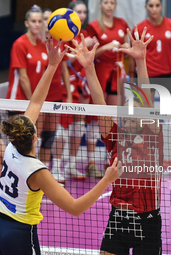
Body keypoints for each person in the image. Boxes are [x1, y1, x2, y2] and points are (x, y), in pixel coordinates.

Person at [0, 37, 120, 255]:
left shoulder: (9, 148)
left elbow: (36, 102)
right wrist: (107, 179)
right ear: (35, 138)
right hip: (17, 233)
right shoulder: (37, 171)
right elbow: (75, 208)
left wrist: (53, 65)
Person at [70, 27, 163, 254]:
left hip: (147, 219)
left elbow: (147, 100)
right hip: (118, 218)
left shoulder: (153, 136)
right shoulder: (115, 137)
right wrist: (89, 67)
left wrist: (140, 62)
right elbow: (100, 104)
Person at [5, 5, 71, 170]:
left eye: (39, 21)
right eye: (33, 21)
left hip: (35, 100)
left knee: (45, 137)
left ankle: (42, 171)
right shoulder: (19, 44)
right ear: (26, 23)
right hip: (19, 99)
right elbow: (24, 78)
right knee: (20, 142)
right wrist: (32, 103)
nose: (37, 24)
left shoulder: (44, 44)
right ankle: (18, 172)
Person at [51, 0, 99, 183]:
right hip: (66, 88)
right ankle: (56, 166)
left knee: (79, 126)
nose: (82, 15)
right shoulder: (61, 33)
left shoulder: (83, 34)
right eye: (78, 12)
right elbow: (62, 61)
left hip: (81, 87)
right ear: (70, 14)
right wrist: (80, 47)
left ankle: (71, 164)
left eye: (84, 12)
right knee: (62, 128)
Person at [131, 0, 171, 108]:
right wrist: (132, 79)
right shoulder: (139, 28)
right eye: (151, 6)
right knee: (147, 114)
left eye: (157, 5)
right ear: (146, 7)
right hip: (147, 74)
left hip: (168, 73)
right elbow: (133, 58)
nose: (154, 9)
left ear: (162, 7)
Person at [86, 0, 129, 106]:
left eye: (112, 3)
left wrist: (127, 48)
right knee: (100, 105)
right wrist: (105, 47)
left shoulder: (122, 23)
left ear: (115, 5)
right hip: (101, 70)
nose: (109, 6)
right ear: (100, 5)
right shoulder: (93, 26)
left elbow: (127, 48)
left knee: (115, 107)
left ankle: (113, 123)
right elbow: (89, 56)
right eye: (106, 2)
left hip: (117, 70)